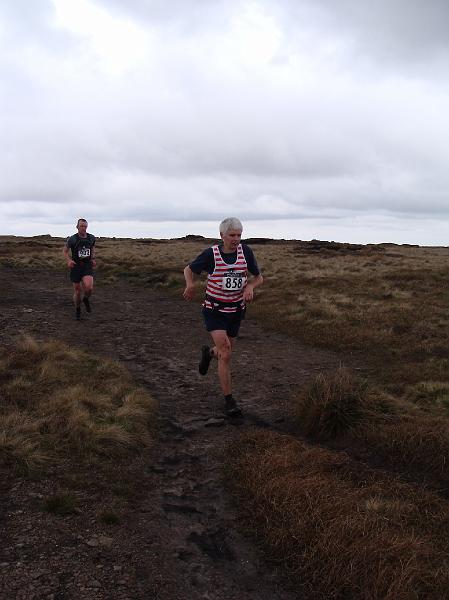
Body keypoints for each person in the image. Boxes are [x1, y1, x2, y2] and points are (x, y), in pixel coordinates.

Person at [183, 217, 263, 416]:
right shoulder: (212, 254)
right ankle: (229, 401)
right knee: (226, 352)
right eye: (232, 235)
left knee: (223, 352)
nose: (236, 239)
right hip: (215, 310)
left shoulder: (246, 252)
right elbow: (188, 269)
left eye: (239, 235)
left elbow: (258, 276)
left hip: (236, 311)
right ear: (222, 236)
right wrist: (190, 284)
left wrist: (250, 287)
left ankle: (208, 354)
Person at [63, 218, 96, 321]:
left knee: (89, 288)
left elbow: (92, 248)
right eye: (82, 226)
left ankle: (85, 299)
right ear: (77, 227)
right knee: (77, 291)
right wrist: (69, 260)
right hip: (76, 266)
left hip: (86, 265)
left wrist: (92, 258)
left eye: (85, 226)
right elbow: (64, 251)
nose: (84, 228)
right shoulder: (73, 239)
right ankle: (78, 309)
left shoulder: (91, 238)